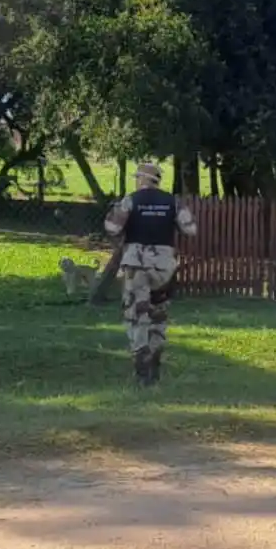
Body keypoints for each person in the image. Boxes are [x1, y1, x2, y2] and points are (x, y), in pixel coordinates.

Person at [103, 162, 197, 385]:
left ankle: (141, 365)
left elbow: (112, 228)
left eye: (137, 177)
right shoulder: (172, 202)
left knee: (137, 315)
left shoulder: (131, 200)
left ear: (142, 179)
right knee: (158, 313)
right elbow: (191, 229)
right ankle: (155, 361)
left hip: (137, 265)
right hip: (164, 266)